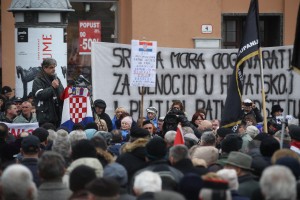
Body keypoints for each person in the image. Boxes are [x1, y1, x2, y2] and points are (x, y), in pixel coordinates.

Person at [32, 58, 64, 127]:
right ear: (44, 68)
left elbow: (62, 94)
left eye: (54, 67)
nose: (54, 69)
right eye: (51, 67)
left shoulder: (56, 78)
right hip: (46, 117)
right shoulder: (38, 80)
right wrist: (52, 88)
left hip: (58, 115)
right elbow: (40, 95)